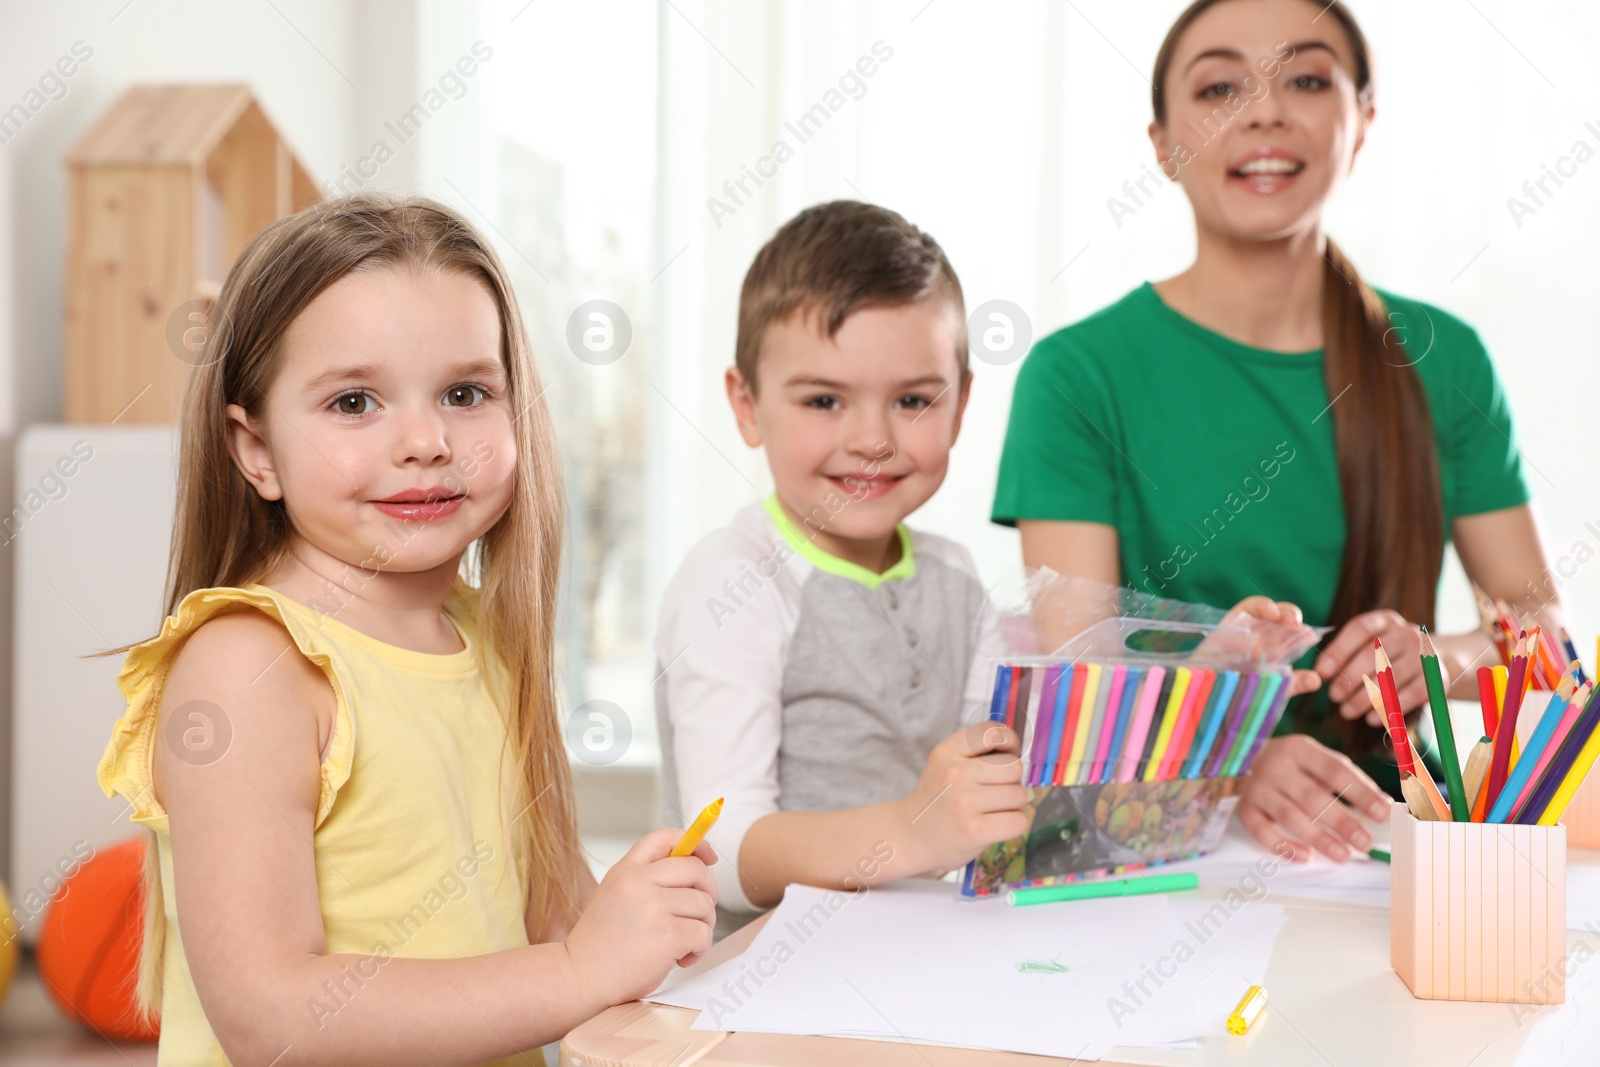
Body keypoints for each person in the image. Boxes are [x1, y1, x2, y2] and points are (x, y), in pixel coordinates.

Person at [95, 194, 716, 1066]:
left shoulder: (488, 639)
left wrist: (637, 916)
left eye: (466, 392)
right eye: (354, 401)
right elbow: (270, 1015)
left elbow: (553, 920)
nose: (426, 440)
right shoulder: (247, 667)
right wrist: (581, 965)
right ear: (257, 449)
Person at [992, 0, 1559, 861]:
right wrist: (1231, 761)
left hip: (1397, 838)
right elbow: (1082, 681)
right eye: (1221, 86)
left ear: (1362, 121)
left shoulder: (1444, 360)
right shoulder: (1076, 374)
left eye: (1304, 78)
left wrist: (1443, 661)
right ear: (1160, 144)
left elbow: (1542, 636)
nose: (1263, 111)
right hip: (1162, 842)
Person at [654, 200, 1316, 928]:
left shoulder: (955, 577)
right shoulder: (734, 578)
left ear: (961, 404)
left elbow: (1037, 791)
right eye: (824, 400)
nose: (872, 438)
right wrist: (910, 830)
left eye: (912, 399)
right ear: (746, 406)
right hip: (765, 994)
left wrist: (1204, 677)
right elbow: (721, 847)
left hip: (926, 961)